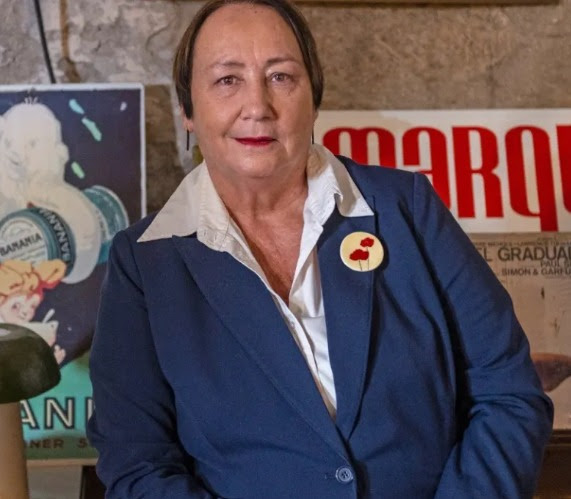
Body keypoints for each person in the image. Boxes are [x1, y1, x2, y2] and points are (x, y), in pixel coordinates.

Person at [87, 0, 553, 497]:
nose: (257, 106)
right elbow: (137, 463)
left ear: (313, 98)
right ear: (187, 111)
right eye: (227, 80)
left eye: (281, 77)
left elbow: (508, 392)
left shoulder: (407, 208)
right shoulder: (145, 263)